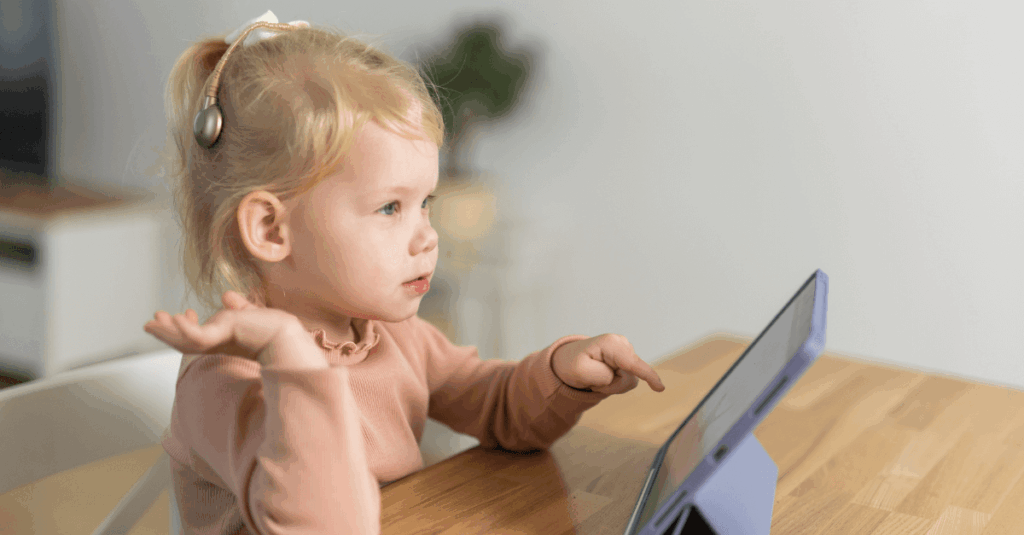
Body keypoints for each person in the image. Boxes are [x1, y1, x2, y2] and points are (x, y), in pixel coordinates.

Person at [146, 10, 666, 535]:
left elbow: (496, 405)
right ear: (271, 230)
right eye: (391, 208)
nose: (427, 236)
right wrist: (292, 360)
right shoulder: (226, 381)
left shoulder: (393, 336)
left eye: (426, 204)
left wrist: (561, 373)